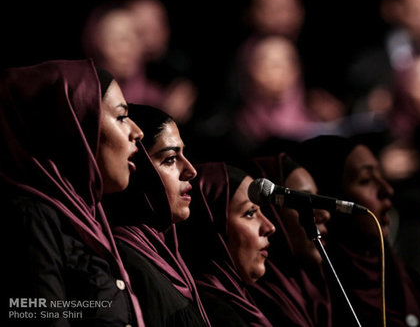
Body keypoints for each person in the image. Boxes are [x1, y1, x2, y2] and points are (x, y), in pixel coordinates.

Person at [1, 60, 146, 325]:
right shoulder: (32, 217)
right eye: (122, 117)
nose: (138, 132)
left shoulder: (90, 218)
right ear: (72, 124)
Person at [293, 134, 420, 327]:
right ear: (329, 195)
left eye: (382, 176)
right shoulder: (315, 294)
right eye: (366, 180)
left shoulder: (407, 280)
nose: (387, 190)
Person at [103, 104, 209, 326]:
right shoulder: (123, 262)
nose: (191, 170)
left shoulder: (166, 255)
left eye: (183, 154)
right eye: (170, 159)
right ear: (137, 168)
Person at [177, 162, 276, 326]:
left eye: (261, 211)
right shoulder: (211, 314)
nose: (269, 227)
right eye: (250, 213)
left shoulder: (242, 302)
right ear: (213, 229)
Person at [247, 153, 332, 327]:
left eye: (316, 198)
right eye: (304, 202)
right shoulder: (254, 303)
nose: (324, 214)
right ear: (270, 212)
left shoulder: (316, 288)